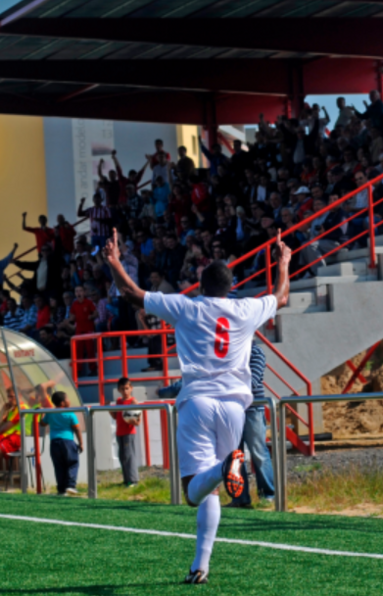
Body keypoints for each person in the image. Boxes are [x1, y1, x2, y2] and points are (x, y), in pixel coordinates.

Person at [102, 226, 292, 585]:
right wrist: (283, 262)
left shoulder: (186, 307)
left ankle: (225, 469)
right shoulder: (245, 309)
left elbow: (131, 293)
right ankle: (199, 566)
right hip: (236, 406)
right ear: (229, 286)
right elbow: (280, 298)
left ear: (202, 286)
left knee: (194, 491)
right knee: (209, 490)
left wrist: (113, 260)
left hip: (198, 403)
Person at [225, 342, 275, 509]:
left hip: (251, 409)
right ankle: (240, 498)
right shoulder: (230, 353)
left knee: (258, 452)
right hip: (232, 409)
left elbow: (252, 381)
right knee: (235, 456)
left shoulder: (255, 351)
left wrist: (227, 384)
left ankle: (268, 495)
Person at [42, 391, 83, 496]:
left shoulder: (50, 413)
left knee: (59, 466)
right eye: (67, 398)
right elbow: (77, 429)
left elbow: (42, 424)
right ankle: (70, 485)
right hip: (68, 442)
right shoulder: (70, 413)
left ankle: (61, 489)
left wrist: (42, 413)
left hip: (54, 443)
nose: (69, 401)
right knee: (72, 463)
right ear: (62, 403)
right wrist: (81, 443)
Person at [112, 377, 141, 487]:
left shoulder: (133, 401)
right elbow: (116, 416)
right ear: (118, 390)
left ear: (131, 388)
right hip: (119, 432)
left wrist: (133, 421)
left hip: (129, 432)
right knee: (122, 456)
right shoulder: (118, 401)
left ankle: (133, 480)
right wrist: (109, 408)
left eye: (127, 388)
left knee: (129, 456)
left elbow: (138, 422)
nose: (125, 391)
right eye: (122, 389)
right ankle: (126, 480)